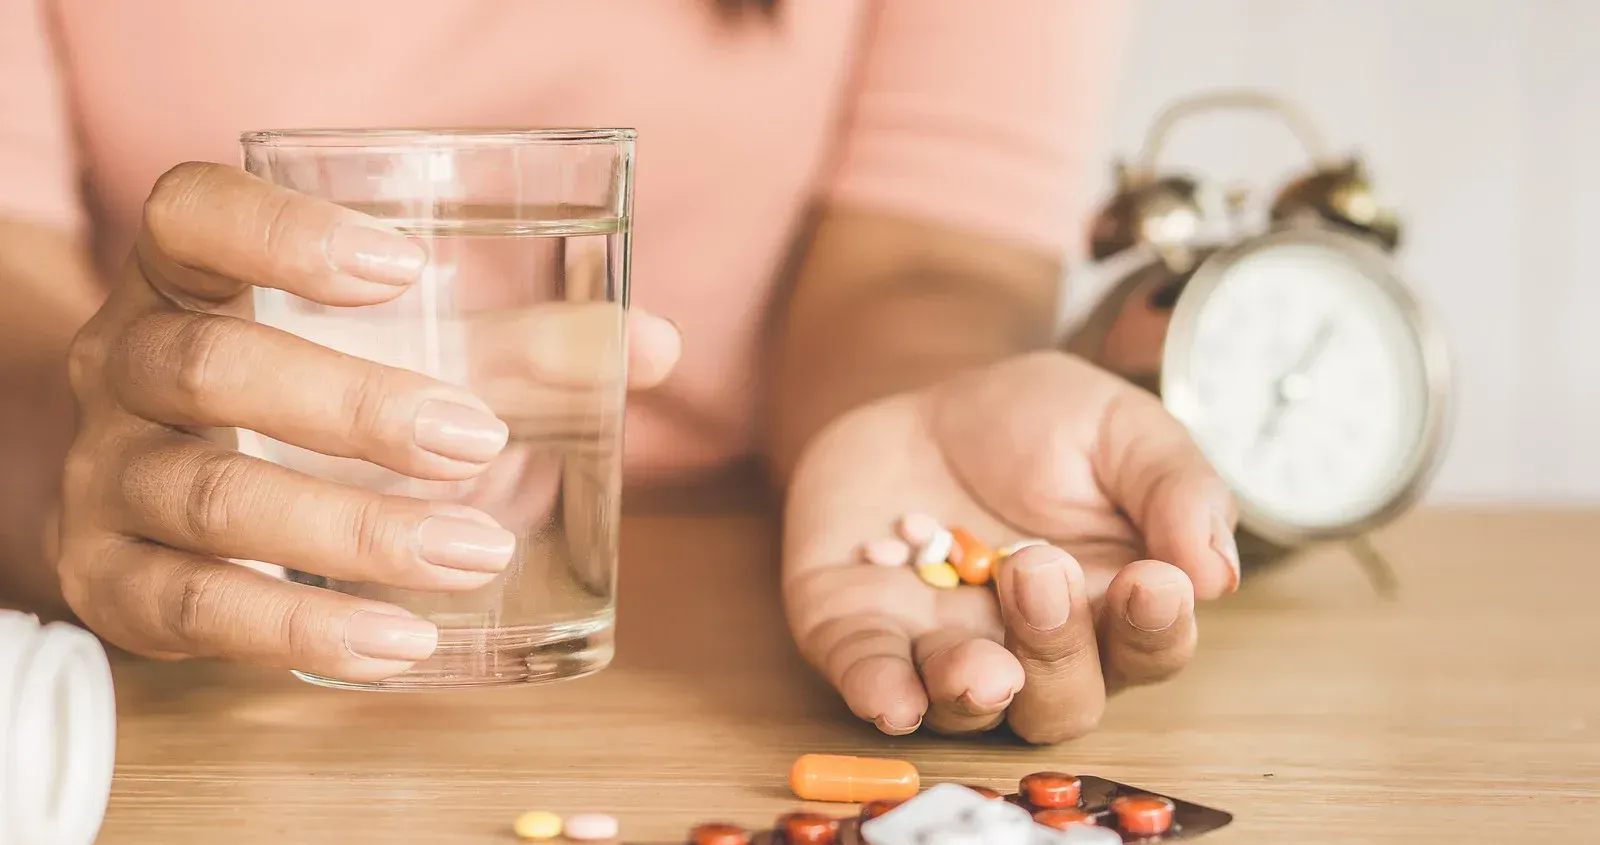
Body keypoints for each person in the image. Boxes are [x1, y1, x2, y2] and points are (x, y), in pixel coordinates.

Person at [0, 0, 1237, 742]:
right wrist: (104, 456)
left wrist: (913, 422)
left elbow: (921, 258)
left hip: (712, 627)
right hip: (190, 668)